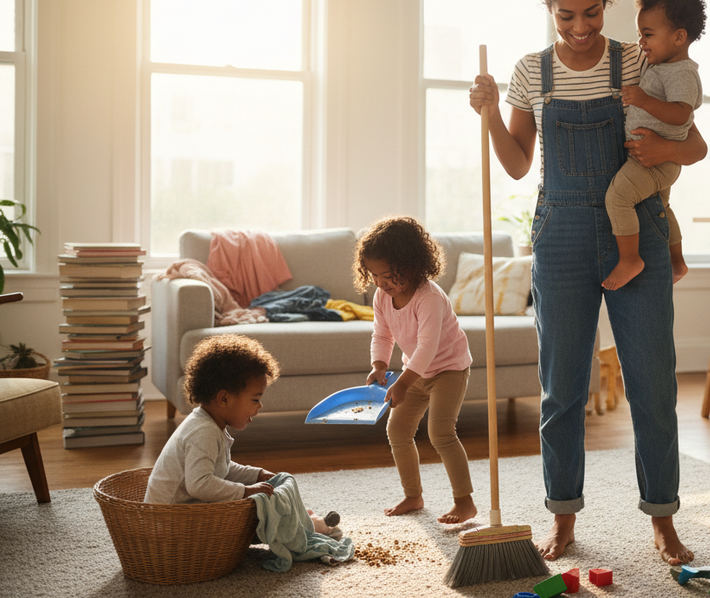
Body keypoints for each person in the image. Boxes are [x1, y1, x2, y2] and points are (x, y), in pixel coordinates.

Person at [468, 0, 706, 565]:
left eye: (592, 13)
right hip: (563, 235)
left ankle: (662, 520)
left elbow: (694, 145)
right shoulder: (529, 73)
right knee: (561, 390)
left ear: (608, 3)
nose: (579, 28)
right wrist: (490, 115)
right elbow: (518, 165)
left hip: (640, 232)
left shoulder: (636, 62)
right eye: (566, 16)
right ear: (548, 7)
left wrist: (663, 147)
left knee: (653, 387)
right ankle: (564, 519)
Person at [143, 334, 340, 536]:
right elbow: (199, 485)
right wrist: (245, 491)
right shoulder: (203, 432)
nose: (260, 406)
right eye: (255, 399)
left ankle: (297, 519)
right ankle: (305, 525)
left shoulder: (208, 423)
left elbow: (221, 469)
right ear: (224, 399)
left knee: (257, 502)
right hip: (170, 526)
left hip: (183, 515)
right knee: (256, 512)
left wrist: (255, 474)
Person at [353, 215, 476, 525]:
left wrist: (404, 383)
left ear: (411, 264)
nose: (381, 283)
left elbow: (428, 347)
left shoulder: (429, 298)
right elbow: (382, 334)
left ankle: (465, 502)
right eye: (374, 275)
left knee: (441, 432)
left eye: (388, 275)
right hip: (415, 372)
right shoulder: (383, 296)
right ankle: (413, 495)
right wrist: (379, 364)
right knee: (397, 430)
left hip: (449, 370)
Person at [602, 0, 706, 291]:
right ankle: (677, 260)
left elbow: (681, 114)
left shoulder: (682, 72)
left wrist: (643, 100)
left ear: (679, 37)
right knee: (662, 208)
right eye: (639, 34)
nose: (641, 42)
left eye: (648, 34)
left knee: (618, 198)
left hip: (655, 160)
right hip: (653, 160)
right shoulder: (661, 65)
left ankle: (630, 259)